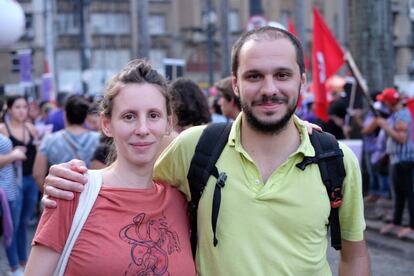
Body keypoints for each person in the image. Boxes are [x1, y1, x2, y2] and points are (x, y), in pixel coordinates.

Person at [42, 27, 370, 275]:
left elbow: (354, 255)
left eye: (282, 75)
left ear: (303, 79)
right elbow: (132, 179)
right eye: (254, 76)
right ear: (236, 84)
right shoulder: (196, 147)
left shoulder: (336, 161)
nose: (269, 89)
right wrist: (74, 185)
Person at [25, 59, 196, 275]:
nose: (142, 129)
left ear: (168, 123)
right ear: (106, 124)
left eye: (153, 115)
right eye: (129, 116)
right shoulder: (72, 192)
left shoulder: (181, 201)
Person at [0, 95, 38, 274]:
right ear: (9, 109)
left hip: (30, 180)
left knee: (24, 223)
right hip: (12, 182)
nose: (22, 110)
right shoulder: (3, 129)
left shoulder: (31, 128)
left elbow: (37, 153)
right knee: (11, 225)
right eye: (17, 107)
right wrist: (14, 154)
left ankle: (24, 262)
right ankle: (14, 266)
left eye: (24, 107)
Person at [32, 95, 100, 191]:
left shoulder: (49, 140)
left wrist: (49, 194)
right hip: (91, 197)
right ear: (85, 117)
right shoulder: (98, 139)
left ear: (65, 115)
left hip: (60, 197)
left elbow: (38, 174)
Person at [376, 88, 414, 238]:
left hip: (404, 160)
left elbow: (402, 138)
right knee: (398, 194)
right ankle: (396, 222)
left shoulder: (403, 115)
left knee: (408, 194)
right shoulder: (397, 114)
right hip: (396, 159)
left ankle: (411, 226)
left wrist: (384, 126)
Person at [0, 134, 27, 276]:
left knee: (12, 229)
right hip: (3, 192)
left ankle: (17, 265)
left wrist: (12, 152)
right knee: (9, 230)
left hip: (9, 190)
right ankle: (14, 267)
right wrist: (13, 155)